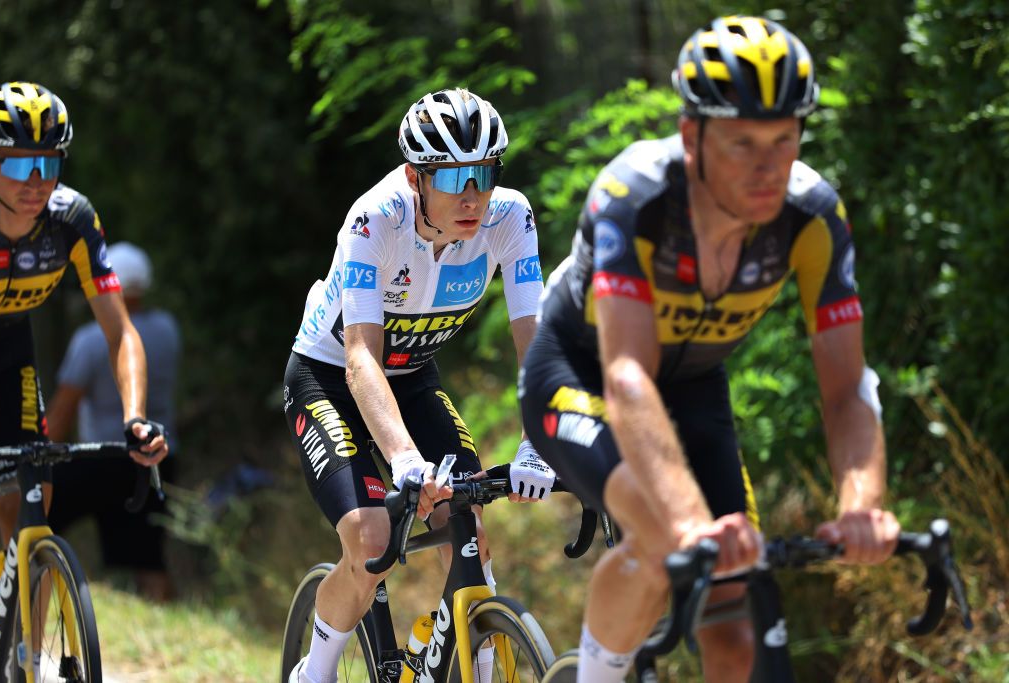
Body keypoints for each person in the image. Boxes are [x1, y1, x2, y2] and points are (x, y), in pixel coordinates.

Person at [518, 16, 900, 683]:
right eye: (742, 142)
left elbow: (845, 387)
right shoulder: (634, 196)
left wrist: (861, 504)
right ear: (691, 136)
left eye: (785, 139)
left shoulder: (812, 217)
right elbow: (629, 373)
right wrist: (694, 523)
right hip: (580, 371)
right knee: (666, 534)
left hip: (693, 387)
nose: (769, 165)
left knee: (737, 637)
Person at [284, 88, 553, 683]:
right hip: (329, 375)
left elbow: (534, 337)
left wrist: (543, 436)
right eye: (454, 177)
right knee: (372, 539)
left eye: (484, 173)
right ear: (414, 175)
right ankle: (316, 671)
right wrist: (404, 459)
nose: (473, 195)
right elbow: (358, 356)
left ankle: (457, 656)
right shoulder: (374, 219)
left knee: (468, 525)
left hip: (411, 377)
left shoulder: (511, 218)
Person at [0, 82, 167, 550]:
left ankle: (18, 612)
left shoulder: (72, 220)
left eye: (49, 164)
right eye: (21, 163)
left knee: (32, 515)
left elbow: (120, 331)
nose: (36, 181)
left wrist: (135, 419)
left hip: (9, 346)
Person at [46, 242, 180, 602]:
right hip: (158, 457)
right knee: (150, 556)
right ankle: (162, 631)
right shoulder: (168, 329)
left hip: (101, 459)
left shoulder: (91, 340)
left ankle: (32, 594)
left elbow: (62, 409)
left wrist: (42, 457)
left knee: (36, 520)